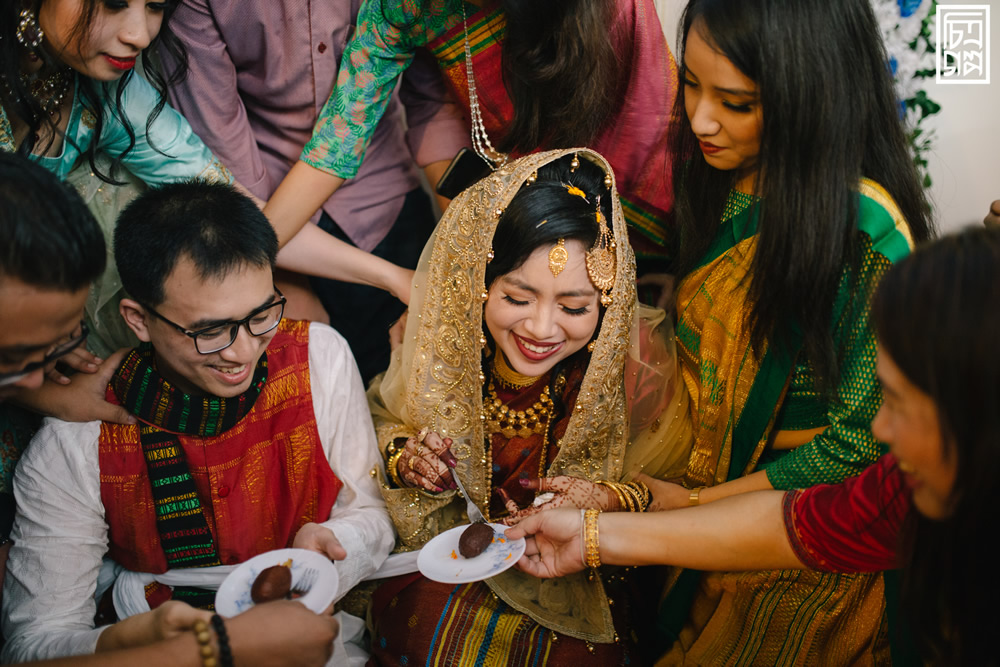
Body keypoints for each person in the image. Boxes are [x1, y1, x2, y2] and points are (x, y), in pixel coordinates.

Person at [508, 225, 1000, 666]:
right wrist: (592, 535)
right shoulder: (905, 488)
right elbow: (792, 524)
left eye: (896, 401)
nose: (883, 431)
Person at [610, 0, 934, 663]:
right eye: (691, 84)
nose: (699, 118)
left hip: (811, 537)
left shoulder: (865, 234)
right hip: (696, 493)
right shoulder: (718, 174)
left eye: (734, 101)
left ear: (809, 94)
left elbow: (856, 446)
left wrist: (695, 504)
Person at [1, 181, 394, 662]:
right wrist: (156, 645)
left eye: (261, 315)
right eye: (210, 330)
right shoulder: (78, 441)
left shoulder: (319, 357)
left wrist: (333, 549)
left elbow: (370, 511)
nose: (242, 350)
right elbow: (34, 643)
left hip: (312, 627)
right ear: (139, 319)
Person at [365, 148, 692, 664]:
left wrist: (606, 499)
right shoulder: (448, 338)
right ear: (478, 283)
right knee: (420, 634)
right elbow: (385, 417)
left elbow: (687, 492)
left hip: (574, 575)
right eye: (517, 299)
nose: (541, 330)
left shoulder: (635, 362)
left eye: (575, 307)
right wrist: (406, 455)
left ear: (606, 301)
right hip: (454, 554)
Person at [162, 1, 469, 382]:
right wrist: (264, 269)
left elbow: (432, 104)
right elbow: (225, 155)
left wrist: (465, 249)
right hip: (268, 213)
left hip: (385, 203)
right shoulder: (194, 7)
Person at [264, 0, 680, 275]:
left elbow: (645, 126)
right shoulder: (404, 7)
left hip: (647, 212)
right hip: (524, 223)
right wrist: (250, 255)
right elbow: (335, 143)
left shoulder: (608, 9)